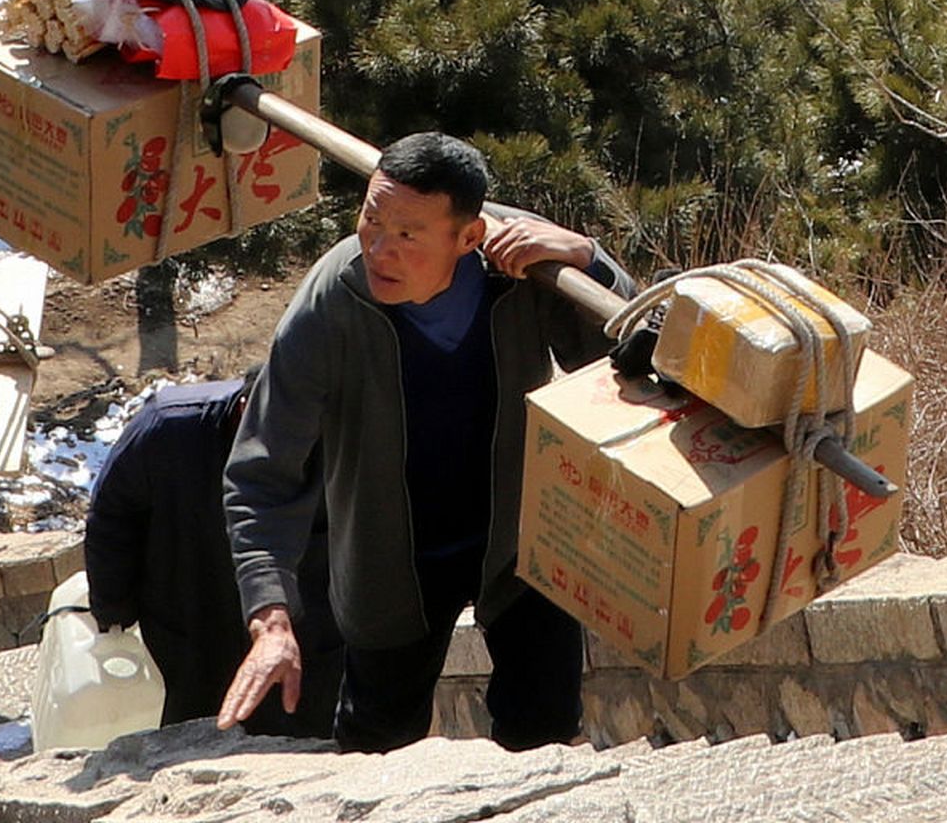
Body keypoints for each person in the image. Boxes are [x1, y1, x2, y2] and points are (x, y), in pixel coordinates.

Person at [217, 132, 634, 753]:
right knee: (377, 746)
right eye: (370, 220)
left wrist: (587, 258)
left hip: (520, 539)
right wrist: (271, 616)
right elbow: (261, 471)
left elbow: (638, 348)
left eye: (408, 235)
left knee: (545, 734)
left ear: (466, 239)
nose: (379, 249)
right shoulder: (331, 302)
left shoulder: (523, 264)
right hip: (390, 557)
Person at [84, 372, 342, 736]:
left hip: (305, 630)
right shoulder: (167, 430)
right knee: (195, 728)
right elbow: (111, 517)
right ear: (243, 410)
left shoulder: (341, 443)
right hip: (191, 614)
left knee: (302, 734)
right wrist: (113, 608)